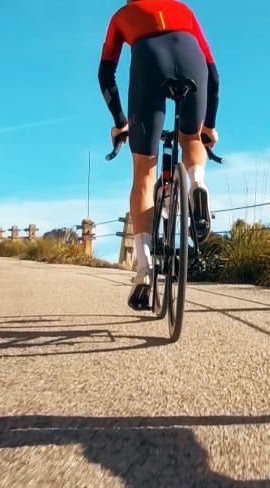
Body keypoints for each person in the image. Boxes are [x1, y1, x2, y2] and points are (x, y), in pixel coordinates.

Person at [98, 0, 220, 308]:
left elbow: (105, 74)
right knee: (191, 140)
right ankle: (197, 185)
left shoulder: (122, 16)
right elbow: (214, 75)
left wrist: (120, 123)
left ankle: (144, 267)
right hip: (192, 58)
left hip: (149, 61)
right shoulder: (184, 10)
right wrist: (210, 128)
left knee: (144, 170)